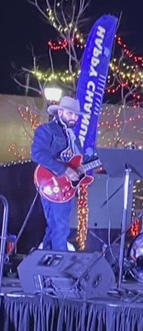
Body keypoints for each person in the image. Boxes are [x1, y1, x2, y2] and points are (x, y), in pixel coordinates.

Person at [31, 96, 92, 251]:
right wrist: (64, 170)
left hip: (67, 188)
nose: (74, 117)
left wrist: (100, 161)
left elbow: (79, 161)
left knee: (55, 227)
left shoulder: (72, 136)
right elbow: (37, 154)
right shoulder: (47, 130)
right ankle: (59, 269)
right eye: (70, 114)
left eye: (76, 115)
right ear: (59, 112)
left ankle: (44, 265)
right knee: (60, 227)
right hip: (52, 183)